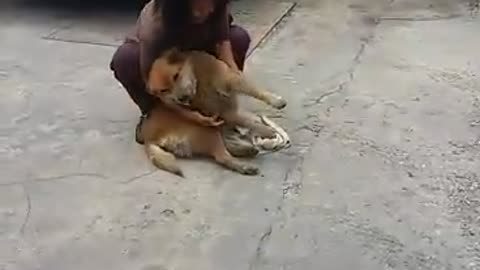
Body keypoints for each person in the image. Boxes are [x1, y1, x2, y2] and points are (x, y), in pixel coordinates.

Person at [110, 0, 252, 147]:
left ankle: (220, 108)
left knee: (239, 38)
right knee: (125, 59)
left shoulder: (215, 4)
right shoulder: (155, 27)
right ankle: (155, 114)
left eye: (209, 6)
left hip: (196, 53)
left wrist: (234, 76)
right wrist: (189, 116)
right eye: (197, 10)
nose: (204, 12)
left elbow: (222, 41)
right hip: (165, 65)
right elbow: (156, 88)